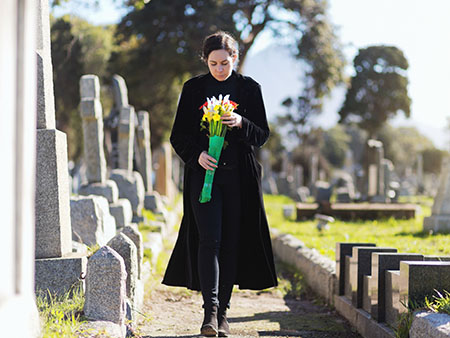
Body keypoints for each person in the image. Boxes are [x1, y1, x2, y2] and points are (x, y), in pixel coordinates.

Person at [162, 31, 278, 337]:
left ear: (235, 58)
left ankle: (223, 313)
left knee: (230, 243)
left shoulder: (249, 89)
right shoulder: (193, 89)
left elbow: (262, 135)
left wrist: (240, 122)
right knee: (208, 241)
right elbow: (178, 136)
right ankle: (209, 314)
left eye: (225, 63)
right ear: (205, 61)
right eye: (213, 63)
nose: (219, 69)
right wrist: (197, 155)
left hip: (240, 178)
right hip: (203, 179)